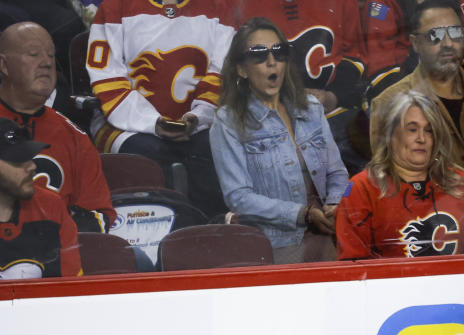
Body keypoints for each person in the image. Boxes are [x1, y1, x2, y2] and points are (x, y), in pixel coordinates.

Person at [210, 17, 349, 264]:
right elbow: (238, 197)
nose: (271, 61)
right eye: (258, 55)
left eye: (279, 52)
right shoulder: (227, 121)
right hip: (276, 244)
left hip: (331, 232)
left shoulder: (312, 108)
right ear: (242, 69)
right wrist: (301, 215)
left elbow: (337, 172)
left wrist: (335, 204)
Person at [86, 0, 234, 217]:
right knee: (148, 155)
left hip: (200, 124)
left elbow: (221, 74)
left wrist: (198, 117)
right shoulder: (114, 7)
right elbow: (108, 78)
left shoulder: (220, 6)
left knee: (213, 149)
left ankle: (210, 235)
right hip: (124, 124)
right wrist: (152, 123)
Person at [368, 0, 464, 201]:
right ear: (415, 43)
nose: (448, 43)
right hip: (435, 225)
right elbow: (388, 184)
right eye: (436, 36)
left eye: (455, 33)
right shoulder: (388, 104)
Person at [337, 90, 464, 258]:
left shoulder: (457, 180)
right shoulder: (363, 188)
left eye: (429, 130)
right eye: (412, 129)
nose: (422, 138)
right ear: (391, 135)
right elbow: (354, 264)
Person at [0, 22, 116, 235]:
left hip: (59, 258)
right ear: (4, 66)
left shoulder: (74, 137)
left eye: (51, 56)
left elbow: (100, 216)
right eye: (33, 54)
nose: (45, 63)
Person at [229, 0, 368, 174]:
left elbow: (355, 56)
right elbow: (237, 69)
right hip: (270, 113)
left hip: (334, 109)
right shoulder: (241, 5)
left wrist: (333, 96)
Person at [0, 118, 81, 279]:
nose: (32, 167)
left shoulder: (50, 206)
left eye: (29, 158)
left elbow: (70, 288)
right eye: (17, 161)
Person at [361, 0, 464, 97]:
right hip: (403, 86)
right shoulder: (381, 4)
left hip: (451, 80)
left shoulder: (460, 1)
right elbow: (380, 62)